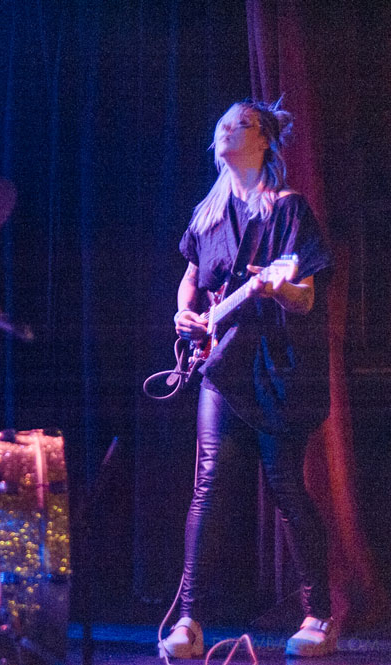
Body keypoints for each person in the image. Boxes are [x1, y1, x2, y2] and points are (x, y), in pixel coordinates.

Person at [161, 100, 335, 659]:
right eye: (220, 125)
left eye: (238, 123)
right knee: (208, 488)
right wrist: (184, 313)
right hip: (221, 366)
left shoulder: (289, 210)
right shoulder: (207, 214)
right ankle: (189, 619)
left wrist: (278, 287)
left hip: (278, 369)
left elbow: (305, 295)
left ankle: (319, 614)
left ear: (265, 141)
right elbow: (189, 281)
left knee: (285, 485)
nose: (224, 130)